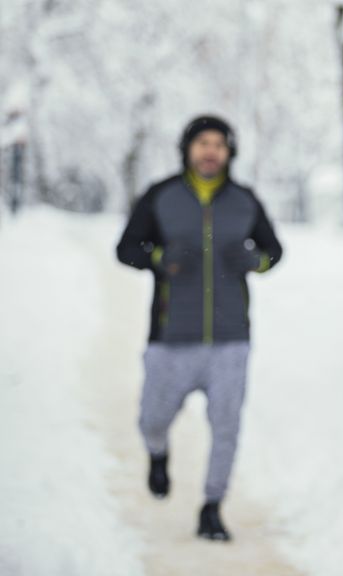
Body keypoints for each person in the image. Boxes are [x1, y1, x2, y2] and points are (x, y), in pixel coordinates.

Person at [116, 115, 283, 542]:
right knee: (152, 419)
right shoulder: (161, 196)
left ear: (229, 152)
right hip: (171, 339)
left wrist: (254, 262)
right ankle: (158, 453)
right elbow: (126, 248)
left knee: (226, 426)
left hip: (231, 341)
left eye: (219, 144)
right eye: (202, 143)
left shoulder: (244, 200)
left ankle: (212, 506)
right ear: (188, 148)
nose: (210, 151)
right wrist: (159, 259)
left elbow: (273, 251)